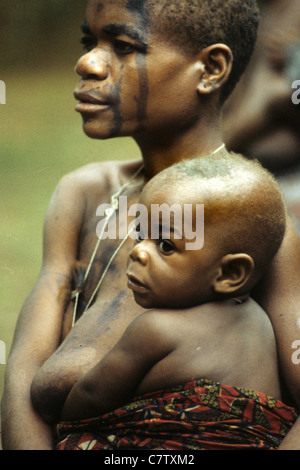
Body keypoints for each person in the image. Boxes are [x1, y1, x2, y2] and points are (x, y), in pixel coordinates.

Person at [1, 0, 300, 450]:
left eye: (122, 45)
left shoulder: (253, 224)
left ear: (210, 69)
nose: (88, 62)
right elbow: (23, 376)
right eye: (89, 41)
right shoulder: (85, 193)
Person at [57, 154, 298, 450]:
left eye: (166, 245)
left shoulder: (155, 329)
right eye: (140, 236)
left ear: (230, 273)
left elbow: (90, 398)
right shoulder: (264, 327)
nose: (138, 253)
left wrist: (62, 424)